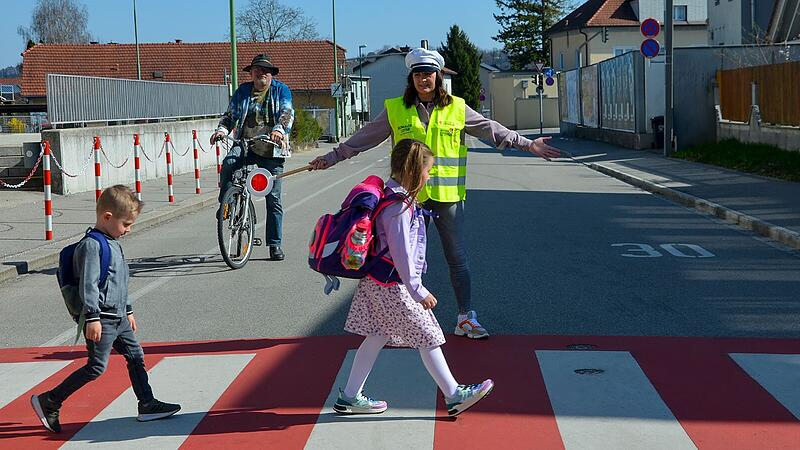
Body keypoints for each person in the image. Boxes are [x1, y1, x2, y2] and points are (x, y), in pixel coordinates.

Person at [310, 48, 561, 339]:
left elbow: (490, 129)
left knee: (457, 258)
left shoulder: (456, 107)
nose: (423, 79)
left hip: (448, 197)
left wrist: (527, 144)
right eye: (417, 74)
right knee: (402, 259)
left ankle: (465, 318)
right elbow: (363, 138)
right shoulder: (395, 109)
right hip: (408, 198)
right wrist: (330, 157)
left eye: (428, 73)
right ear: (411, 78)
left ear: (438, 76)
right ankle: (404, 318)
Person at [332, 139, 493, 417]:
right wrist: (417, 291)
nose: (429, 176)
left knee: (376, 335)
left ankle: (349, 397)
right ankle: (454, 394)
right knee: (428, 335)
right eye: (427, 170)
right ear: (413, 170)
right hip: (392, 284)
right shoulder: (398, 207)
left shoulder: (393, 196)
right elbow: (401, 253)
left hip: (377, 280)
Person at [31, 185, 180, 433]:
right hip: (101, 318)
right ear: (107, 217)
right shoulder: (92, 246)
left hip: (118, 316)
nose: (128, 230)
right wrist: (92, 318)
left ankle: (147, 404)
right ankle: (50, 400)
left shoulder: (113, 242)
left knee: (136, 356)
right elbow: (88, 285)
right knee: (96, 367)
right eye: (126, 224)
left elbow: (120, 280)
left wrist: (128, 310)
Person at [211, 53, 295, 261]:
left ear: (271, 74)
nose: (261, 73)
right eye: (257, 70)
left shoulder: (281, 90)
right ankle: (226, 203)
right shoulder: (242, 91)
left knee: (273, 199)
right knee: (230, 163)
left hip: (270, 148)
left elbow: (286, 112)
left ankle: (274, 245)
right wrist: (222, 130)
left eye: (265, 70)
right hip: (245, 144)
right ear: (251, 73)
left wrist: (279, 130)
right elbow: (230, 116)